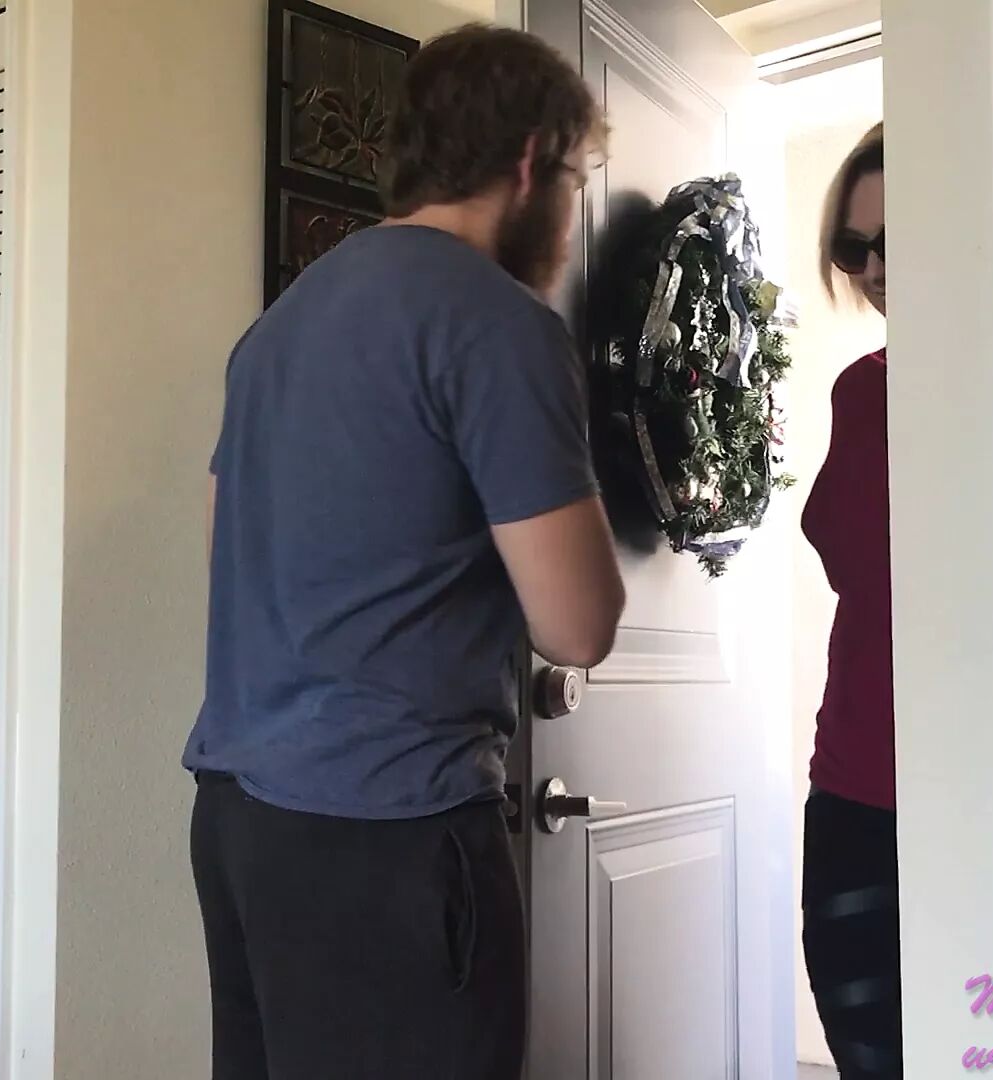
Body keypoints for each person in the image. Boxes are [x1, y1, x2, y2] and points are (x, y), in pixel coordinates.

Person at [184, 25, 624, 1080]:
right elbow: (579, 626)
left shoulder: (278, 328)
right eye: (575, 181)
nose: (570, 220)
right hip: (388, 833)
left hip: (239, 826)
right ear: (531, 163)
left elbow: (224, 548)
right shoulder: (498, 324)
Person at [799, 121, 897, 1080]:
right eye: (851, 245)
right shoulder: (858, 392)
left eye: (891, 241)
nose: (870, 270)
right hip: (855, 785)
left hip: (983, 791)